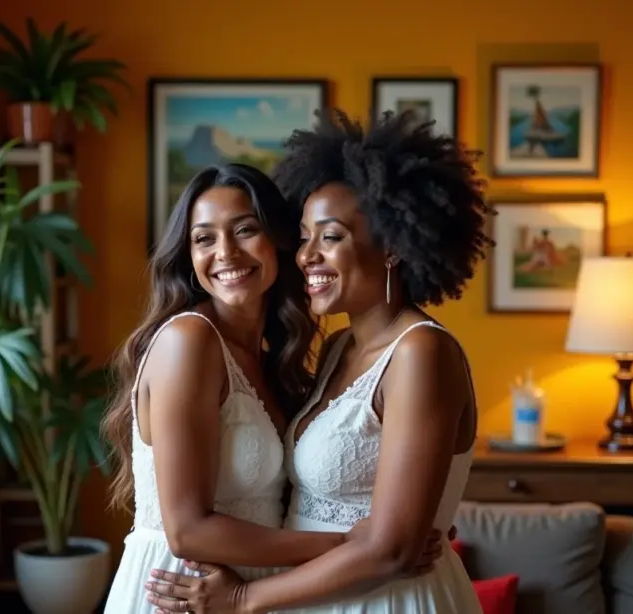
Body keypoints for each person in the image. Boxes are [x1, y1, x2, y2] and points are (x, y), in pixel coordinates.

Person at [144, 109, 491, 613]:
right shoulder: (337, 350)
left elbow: (394, 548)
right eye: (304, 237)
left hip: (392, 600)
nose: (306, 256)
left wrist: (242, 598)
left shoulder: (422, 352)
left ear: (392, 245)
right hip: (316, 595)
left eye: (329, 237)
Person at [101, 163, 445, 613]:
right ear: (188, 256)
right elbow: (187, 531)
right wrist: (357, 547)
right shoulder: (190, 340)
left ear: (278, 242)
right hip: (186, 592)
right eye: (204, 238)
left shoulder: (273, 359)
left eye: (244, 230)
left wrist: (408, 522)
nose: (225, 252)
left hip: (250, 593)